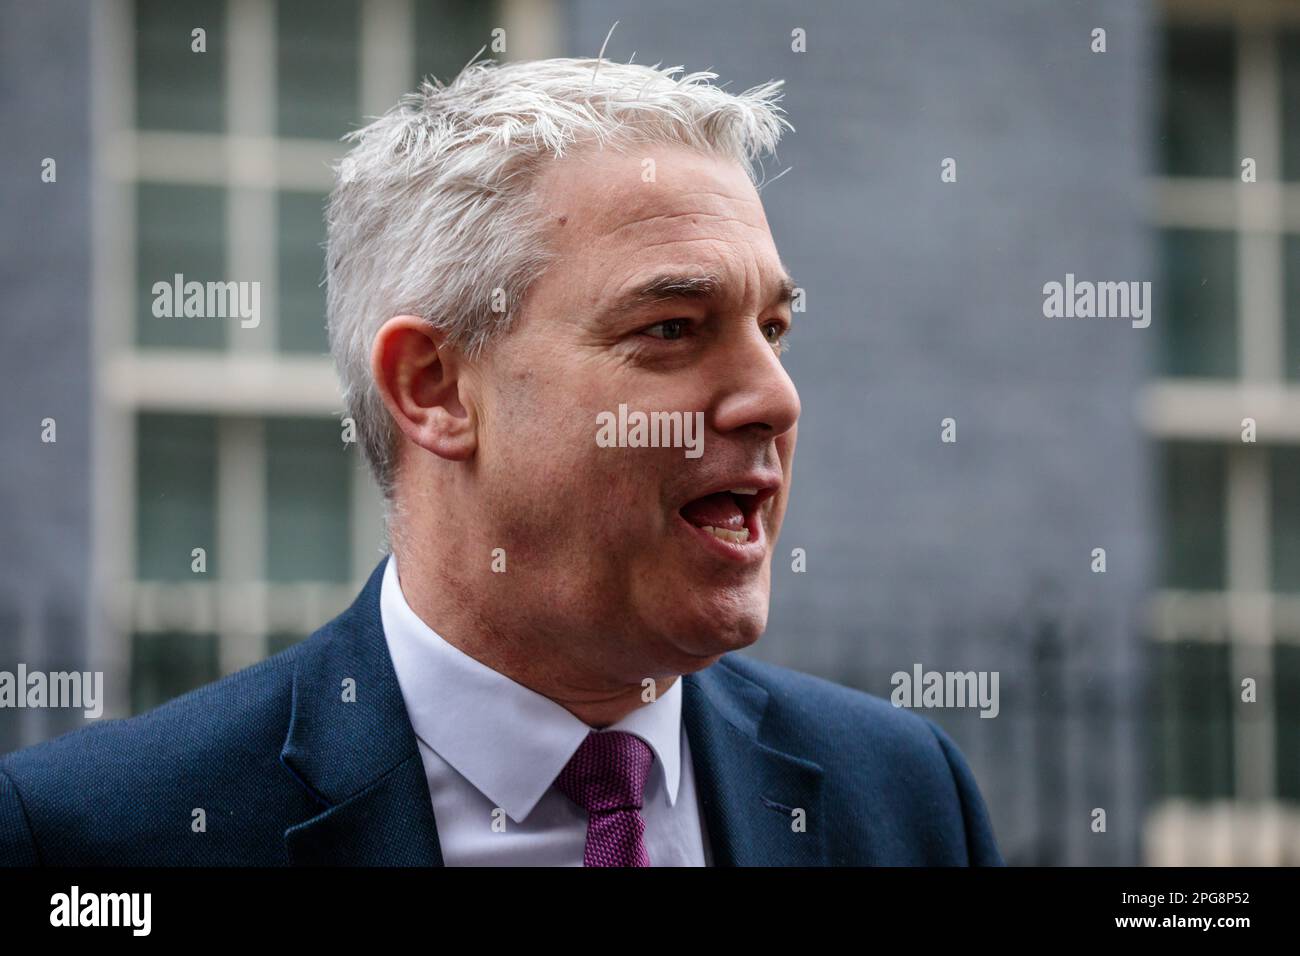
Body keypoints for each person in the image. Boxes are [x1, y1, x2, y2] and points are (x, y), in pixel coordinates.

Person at [0, 58, 1002, 866]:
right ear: (433, 387)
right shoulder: (92, 837)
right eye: (670, 327)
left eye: (772, 327)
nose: (774, 396)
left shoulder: (906, 796)